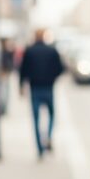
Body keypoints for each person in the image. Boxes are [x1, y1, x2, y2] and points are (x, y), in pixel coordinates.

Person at [19, 29, 64, 159]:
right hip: (48, 88)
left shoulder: (29, 51)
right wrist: (52, 78)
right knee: (51, 115)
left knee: (36, 119)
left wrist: (21, 86)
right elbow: (60, 69)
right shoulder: (51, 50)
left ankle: (39, 148)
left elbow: (23, 70)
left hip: (35, 88)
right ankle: (48, 137)